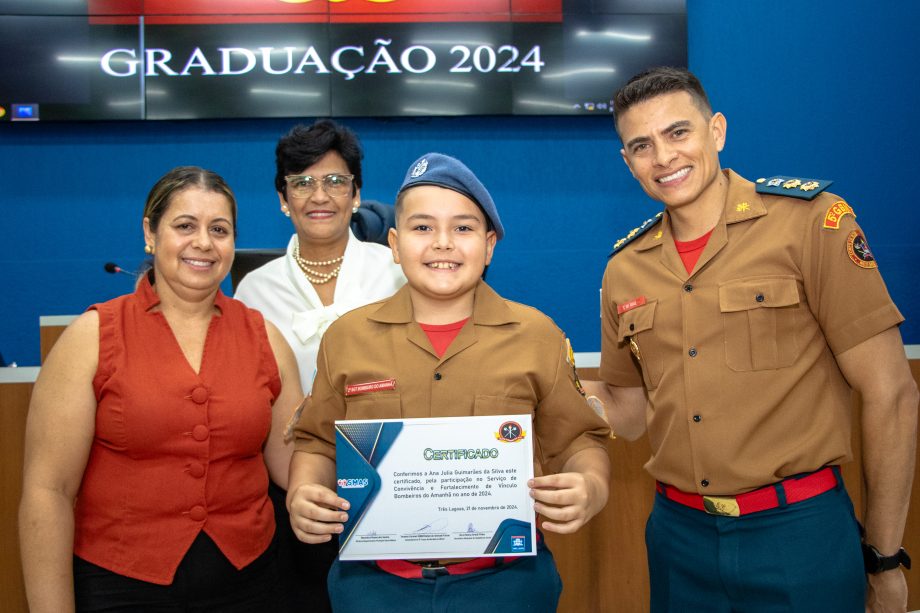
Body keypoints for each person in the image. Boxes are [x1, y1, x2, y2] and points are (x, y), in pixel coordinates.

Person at [584, 66, 919, 612]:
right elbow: (627, 407)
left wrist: (883, 560)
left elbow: (893, 395)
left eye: (678, 133)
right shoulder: (625, 268)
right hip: (677, 539)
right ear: (628, 161)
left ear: (716, 131)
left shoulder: (812, 224)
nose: (663, 157)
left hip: (799, 536)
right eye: (641, 145)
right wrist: (542, 394)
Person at [286, 152, 612, 612]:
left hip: (507, 587)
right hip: (373, 588)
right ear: (395, 246)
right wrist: (303, 493)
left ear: (490, 245)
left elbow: (581, 440)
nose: (443, 243)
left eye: (463, 228)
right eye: (422, 228)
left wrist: (590, 487)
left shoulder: (538, 335)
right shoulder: (346, 338)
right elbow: (316, 443)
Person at [18, 166, 304, 612]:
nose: (203, 243)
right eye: (185, 226)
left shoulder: (264, 336)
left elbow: (295, 464)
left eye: (219, 229)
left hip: (251, 583)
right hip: (120, 588)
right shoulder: (93, 336)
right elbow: (48, 492)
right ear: (150, 233)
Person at [234, 119, 405, 611]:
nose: (319, 195)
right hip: (294, 488)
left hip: (391, 479)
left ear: (356, 194)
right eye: (302, 182)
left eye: (334, 180)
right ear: (283, 198)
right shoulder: (254, 290)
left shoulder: (396, 270)